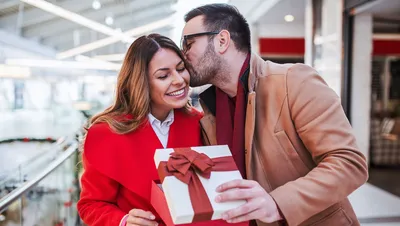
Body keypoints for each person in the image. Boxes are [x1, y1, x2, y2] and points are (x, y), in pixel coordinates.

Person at [182, 4, 368, 226]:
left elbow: (349, 163)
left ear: (222, 41)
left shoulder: (294, 81)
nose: (183, 54)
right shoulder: (208, 110)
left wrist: (277, 203)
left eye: (188, 43)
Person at [77, 34, 205, 226]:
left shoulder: (200, 122)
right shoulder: (105, 133)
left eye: (181, 69)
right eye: (163, 75)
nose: (179, 80)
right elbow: (91, 204)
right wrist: (122, 221)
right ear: (141, 82)